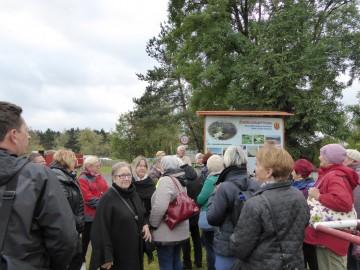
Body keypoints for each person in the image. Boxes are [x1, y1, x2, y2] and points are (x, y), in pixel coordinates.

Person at [0, 101, 77, 270]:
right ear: (13, 135)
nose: (28, 136)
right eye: (25, 131)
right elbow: (64, 239)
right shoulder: (39, 176)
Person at [229, 146, 310, 269]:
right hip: (293, 264)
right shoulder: (299, 195)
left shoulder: (256, 203)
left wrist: (232, 237)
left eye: (256, 164)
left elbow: (240, 248)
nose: (254, 169)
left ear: (268, 172)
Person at [305, 144, 359, 270]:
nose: (319, 158)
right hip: (330, 235)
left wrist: (318, 196)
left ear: (329, 158)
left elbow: (344, 202)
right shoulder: (332, 174)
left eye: (322, 155)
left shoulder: (334, 176)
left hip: (331, 238)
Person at [89, 162, 151, 270]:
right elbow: (100, 230)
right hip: (118, 253)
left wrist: (145, 224)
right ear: (113, 178)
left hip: (134, 249)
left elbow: (142, 212)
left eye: (128, 175)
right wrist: (106, 257)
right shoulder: (108, 198)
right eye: (122, 175)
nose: (126, 178)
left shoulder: (132, 192)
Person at [206, 146, 260, 270]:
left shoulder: (224, 187)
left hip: (227, 248)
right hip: (251, 245)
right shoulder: (256, 185)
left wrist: (214, 193)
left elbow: (212, 218)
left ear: (225, 163)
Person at [150, 155, 191, 270]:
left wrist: (153, 224)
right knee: (176, 260)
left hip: (167, 231)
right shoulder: (180, 178)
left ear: (164, 166)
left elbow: (160, 207)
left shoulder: (166, 180)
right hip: (180, 229)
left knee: (166, 263)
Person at [50, 149, 85, 270]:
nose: (76, 162)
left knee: (77, 260)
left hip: (73, 230)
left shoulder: (69, 176)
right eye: (74, 159)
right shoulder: (58, 178)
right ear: (68, 160)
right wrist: (78, 221)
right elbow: (62, 207)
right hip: (66, 231)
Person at [78, 156, 109, 268]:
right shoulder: (82, 179)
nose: (99, 167)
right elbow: (88, 199)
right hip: (89, 217)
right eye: (96, 166)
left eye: (98, 165)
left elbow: (106, 190)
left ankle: (102, 264)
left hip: (100, 215)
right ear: (88, 167)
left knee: (100, 242)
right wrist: (104, 203)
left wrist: (106, 200)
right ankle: (81, 263)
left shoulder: (99, 176)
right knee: (85, 242)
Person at [197, 154, 224, 270]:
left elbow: (201, 199)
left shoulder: (210, 180)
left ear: (210, 167)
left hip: (210, 217)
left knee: (210, 248)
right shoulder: (224, 178)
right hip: (222, 216)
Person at [291, 158, 317, 270]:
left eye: (293, 170)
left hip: (306, 229)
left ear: (299, 173)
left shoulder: (310, 188)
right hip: (298, 229)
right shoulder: (294, 184)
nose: (291, 173)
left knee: (310, 256)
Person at [344, 149, 360, 270]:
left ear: (353, 160)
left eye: (344, 157)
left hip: (353, 222)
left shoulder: (351, 175)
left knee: (353, 259)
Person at [132, 156, 156, 220]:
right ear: (135, 167)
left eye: (144, 166)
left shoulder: (150, 183)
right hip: (132, 217)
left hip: (148, 217)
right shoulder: (129, 183)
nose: (142, 168)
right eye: (140, 166)